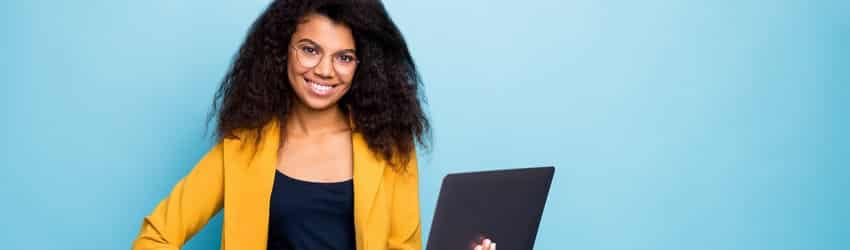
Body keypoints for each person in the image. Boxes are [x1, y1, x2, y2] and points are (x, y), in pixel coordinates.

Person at [132, 1, 496, 250]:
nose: (324, 70)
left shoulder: (390, 149)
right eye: (310, 49)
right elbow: (157, 236)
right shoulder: (243, 145)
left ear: (362, 66)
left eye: (344, 57)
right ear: (281, 50)